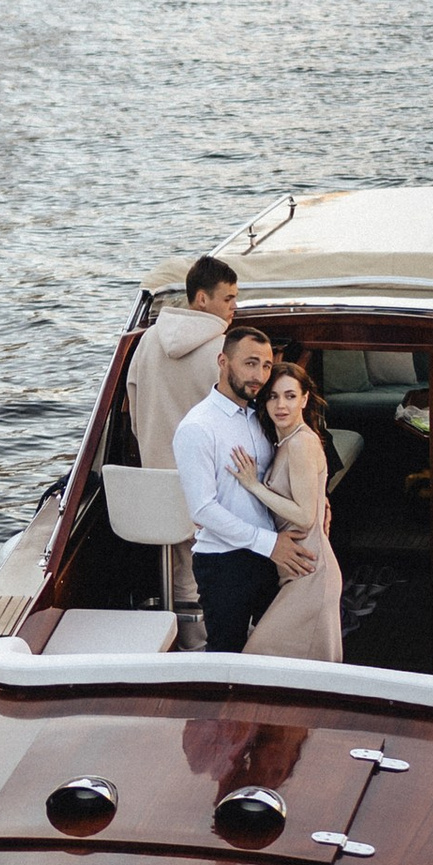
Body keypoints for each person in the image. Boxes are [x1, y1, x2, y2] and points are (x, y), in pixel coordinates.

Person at [126, 254, 238, 647]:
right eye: (229, 300)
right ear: (203, 299)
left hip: (155, 488)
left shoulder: (146, 341)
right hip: (208, 492)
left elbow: (134, 412)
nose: (234, 309)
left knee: (181, 571)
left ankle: (183, 640)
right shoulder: (225, 353)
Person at [171, 321, 280, 654]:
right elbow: (202, 509)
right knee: (226, 653)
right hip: (224, 563)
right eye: (250, 363)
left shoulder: (261, 417)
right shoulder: (197, 427)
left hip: (266, 556)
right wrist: (271, 544)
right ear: (223, 362)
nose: (259, 375)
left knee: (275, 647)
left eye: (266, 366)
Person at [239, 360, 344, 661]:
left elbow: (304, 515)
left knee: (259, 657)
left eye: (290, 395)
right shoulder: (287, 441)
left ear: (305, 399)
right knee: (301, 674)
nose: (280, 405)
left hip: (311, 574)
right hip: (299, 571)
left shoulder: (300, 443)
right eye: (272, 396)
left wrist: (253, 485)